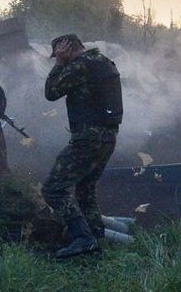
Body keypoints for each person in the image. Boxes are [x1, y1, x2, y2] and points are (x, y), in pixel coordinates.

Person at [42, 34, 123, 258]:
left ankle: (82, 238)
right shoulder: (103, 62)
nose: (58, 58)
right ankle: (96, 238)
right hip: (107, 136)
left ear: (65, 49)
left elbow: (51, 93)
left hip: (88, 137)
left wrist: (59, 63)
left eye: (59, 54)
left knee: (53, 189)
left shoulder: (79, 66)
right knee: (85, 189)